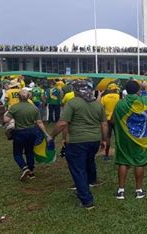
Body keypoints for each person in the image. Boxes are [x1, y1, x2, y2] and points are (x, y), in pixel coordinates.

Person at [50, 80, 108, 210]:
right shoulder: (98, 105)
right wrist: (104, 140)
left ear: (76, 91)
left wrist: (52, 136)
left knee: (78, 169)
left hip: (77, 141)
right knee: (88, 162)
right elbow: (104, 124)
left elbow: (63, 123)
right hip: (94, 141)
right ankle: (87, 185)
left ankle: (86, 200)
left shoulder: (72, 103)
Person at [113, 76, 147, 200]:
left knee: (123, 162)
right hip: (141, 139)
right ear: (138, 90)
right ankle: (139, 190)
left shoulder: (120, 104)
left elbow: (114, 120)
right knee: (140, 163)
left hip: (125, 140)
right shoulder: (145, 100)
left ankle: (121, 190)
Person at [3, 89, 51, 181]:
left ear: (18, 97)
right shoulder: (34, 108)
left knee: (17, 153)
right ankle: (31, 172)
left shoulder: (14, 107)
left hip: (19, 132)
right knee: (29, 152)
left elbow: (6, 120)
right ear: (29, 97)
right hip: (31, 132)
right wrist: (46, 134)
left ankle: (24, 168)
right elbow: (39, 122)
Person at [99, 83, 120, 161]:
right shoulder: (119, 97)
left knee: (107, 137)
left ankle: (106, 155)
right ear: (114, 89)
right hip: (116, 119)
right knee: (118, 136)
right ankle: (119, 154)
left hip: (107, 119)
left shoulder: (104, 97)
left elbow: (101, 107)